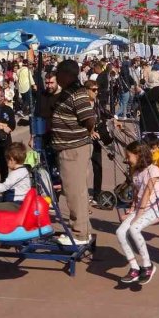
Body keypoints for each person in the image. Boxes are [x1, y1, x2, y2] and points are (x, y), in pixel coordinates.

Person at [51, 60, 97, 245]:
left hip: (73, 149)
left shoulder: (77, 94)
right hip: (69, 147)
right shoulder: (69, 92)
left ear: (67, 75)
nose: (56, 77)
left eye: (59, 73)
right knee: (77, 191)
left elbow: (89, 118)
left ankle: (79, 234)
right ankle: (83, 230)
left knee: (74, 192)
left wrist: (84, 131)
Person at [116, 140, 159, 285]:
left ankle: (147, 265)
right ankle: (134, 267)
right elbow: (137, 193)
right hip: (140, 208)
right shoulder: (136, 172)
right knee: (120, 232)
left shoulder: (153, 170)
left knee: (134, 228)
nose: (127, 159)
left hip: (154, 208)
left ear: (139, 155)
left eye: (129, 156)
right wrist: (132, 209)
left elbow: (147, 193)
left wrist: (137, 215)